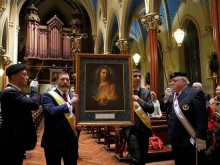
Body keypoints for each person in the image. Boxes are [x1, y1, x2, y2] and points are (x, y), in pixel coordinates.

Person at [162, 71, 207, 165]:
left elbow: (201, 118)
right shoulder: (173, 95)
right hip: (175, 139)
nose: (172, 83)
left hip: (189, 139)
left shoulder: (195, 93)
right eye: (172, 81)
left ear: (184, 82)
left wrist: (200, 137)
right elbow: (165, 110)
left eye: (175, 81)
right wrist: (166, 98)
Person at [0, 63, 40, 165]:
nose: (27, 77)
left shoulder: (16, 92)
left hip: (16, 141)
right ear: (14, 76)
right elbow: (34, 104)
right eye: (24, 74)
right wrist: (34, 89)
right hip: (12, 142)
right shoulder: (10, 93)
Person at [41, 70, 79, 165]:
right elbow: (51, 111)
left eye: (67, 79)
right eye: (62, 79)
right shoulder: (48, 95)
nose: (65, 81)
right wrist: (69, 103)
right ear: (57, 81)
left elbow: (74, 115)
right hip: (54, 141)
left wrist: (78, 124)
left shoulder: (71, 96)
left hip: (71, 142)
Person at [123, 68, 154, 165]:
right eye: (135, 76)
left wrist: (140, 101)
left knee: (144, 158)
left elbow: (151, 108)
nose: (138, 78)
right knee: (136, 159)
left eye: (139, 76)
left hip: (143, 130)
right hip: (131, 130)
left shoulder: (145, 92)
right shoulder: (124, 92)